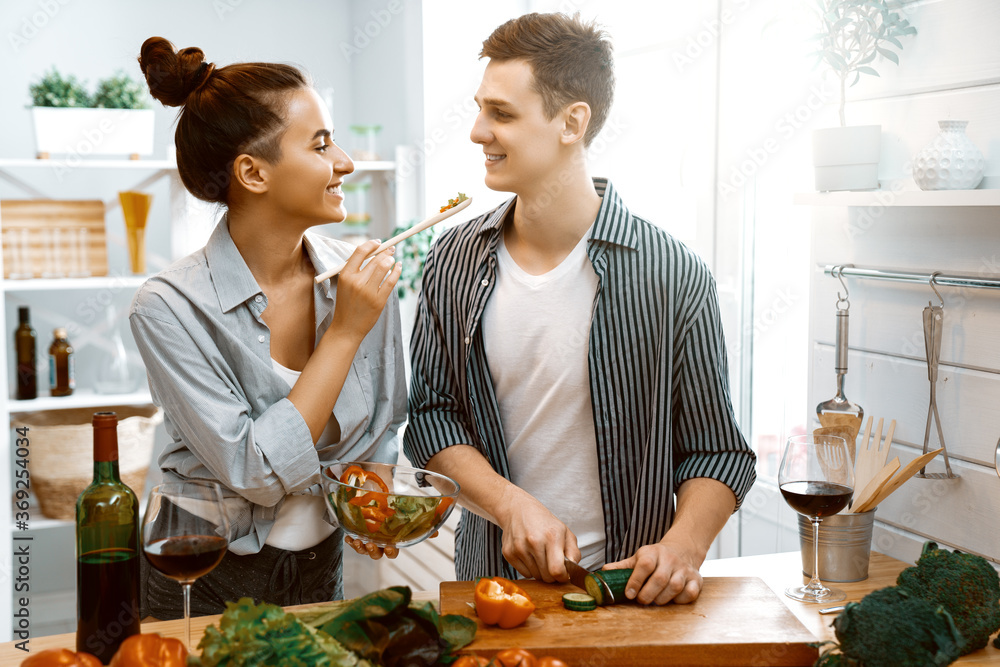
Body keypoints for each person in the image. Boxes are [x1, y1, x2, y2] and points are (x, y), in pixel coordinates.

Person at [404, 13, 757, 606]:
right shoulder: (451, 261)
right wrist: (510, 505)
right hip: (488, 591)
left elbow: (716, 450)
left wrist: (684, 546)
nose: (476, 131)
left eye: (502, 113)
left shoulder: (672, 273)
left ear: (573, 122)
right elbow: (434, 417)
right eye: (480, 108)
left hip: (631, 597)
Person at [130, 37, 405, 620]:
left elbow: (383, 420)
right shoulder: (167, 307)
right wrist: (345, 334)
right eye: (322, 144)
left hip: (320, 567)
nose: (346, 164)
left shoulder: (353, 277)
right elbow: (253, 471)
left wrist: (372, 493)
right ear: (252, 172)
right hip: (203, 572)